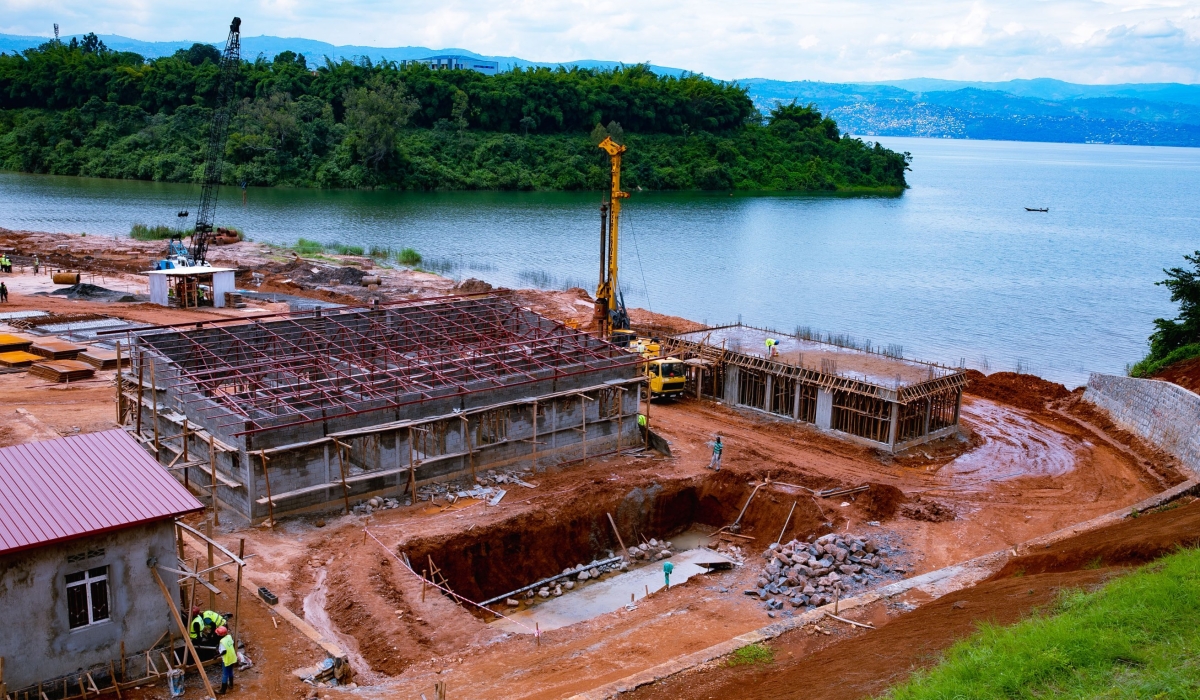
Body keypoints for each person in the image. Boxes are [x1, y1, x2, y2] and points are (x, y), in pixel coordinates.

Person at [216, 626, 236, 694]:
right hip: (232, 657)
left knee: (225, 674)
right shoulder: (229, 637)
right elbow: (232, 644)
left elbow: (224, 651)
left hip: (226, 659)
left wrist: (217, 656)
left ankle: (223, 690)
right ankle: (231, 684)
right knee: (230, 671)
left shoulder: (222, 641)